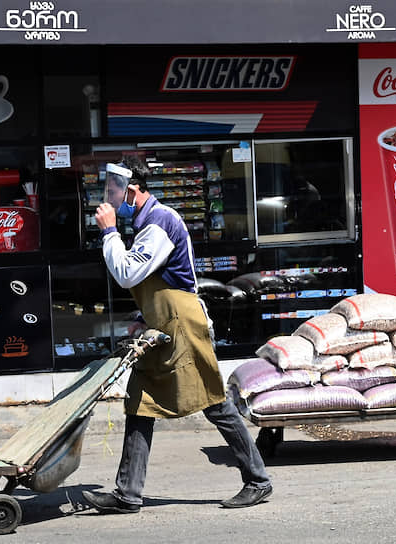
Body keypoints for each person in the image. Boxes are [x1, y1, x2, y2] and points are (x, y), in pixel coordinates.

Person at [82, 157, 273, 514]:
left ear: (134, 190)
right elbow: (160, 278)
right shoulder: (146, 224)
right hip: (161, 324)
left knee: (214, 402)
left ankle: (258, 480)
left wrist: (109, 232)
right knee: (139, 405)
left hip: (181, 325)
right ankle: (127, 494)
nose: (110, 199)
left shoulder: (159, 222)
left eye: (115, 192)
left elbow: (127, 273)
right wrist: (143, 315)